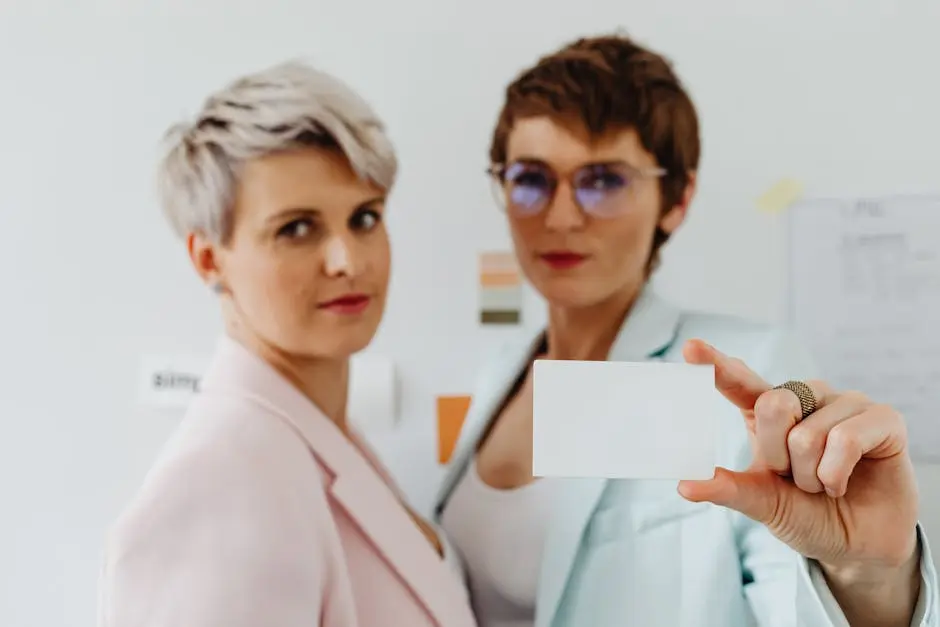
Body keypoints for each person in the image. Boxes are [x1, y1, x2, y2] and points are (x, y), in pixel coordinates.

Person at [434, 34, 938, 627]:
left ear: (676, 199)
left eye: (603, 180)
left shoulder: (741, 374)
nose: (561, 216)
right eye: (531, 178)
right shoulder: (499, 373)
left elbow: (797, 596)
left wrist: (870, 581)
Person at [97, 61, 476, 627]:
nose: (348, 260)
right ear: (208, 258)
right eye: (297, 229)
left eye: (365, 218)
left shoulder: (319, 436)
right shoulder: (220, 483)